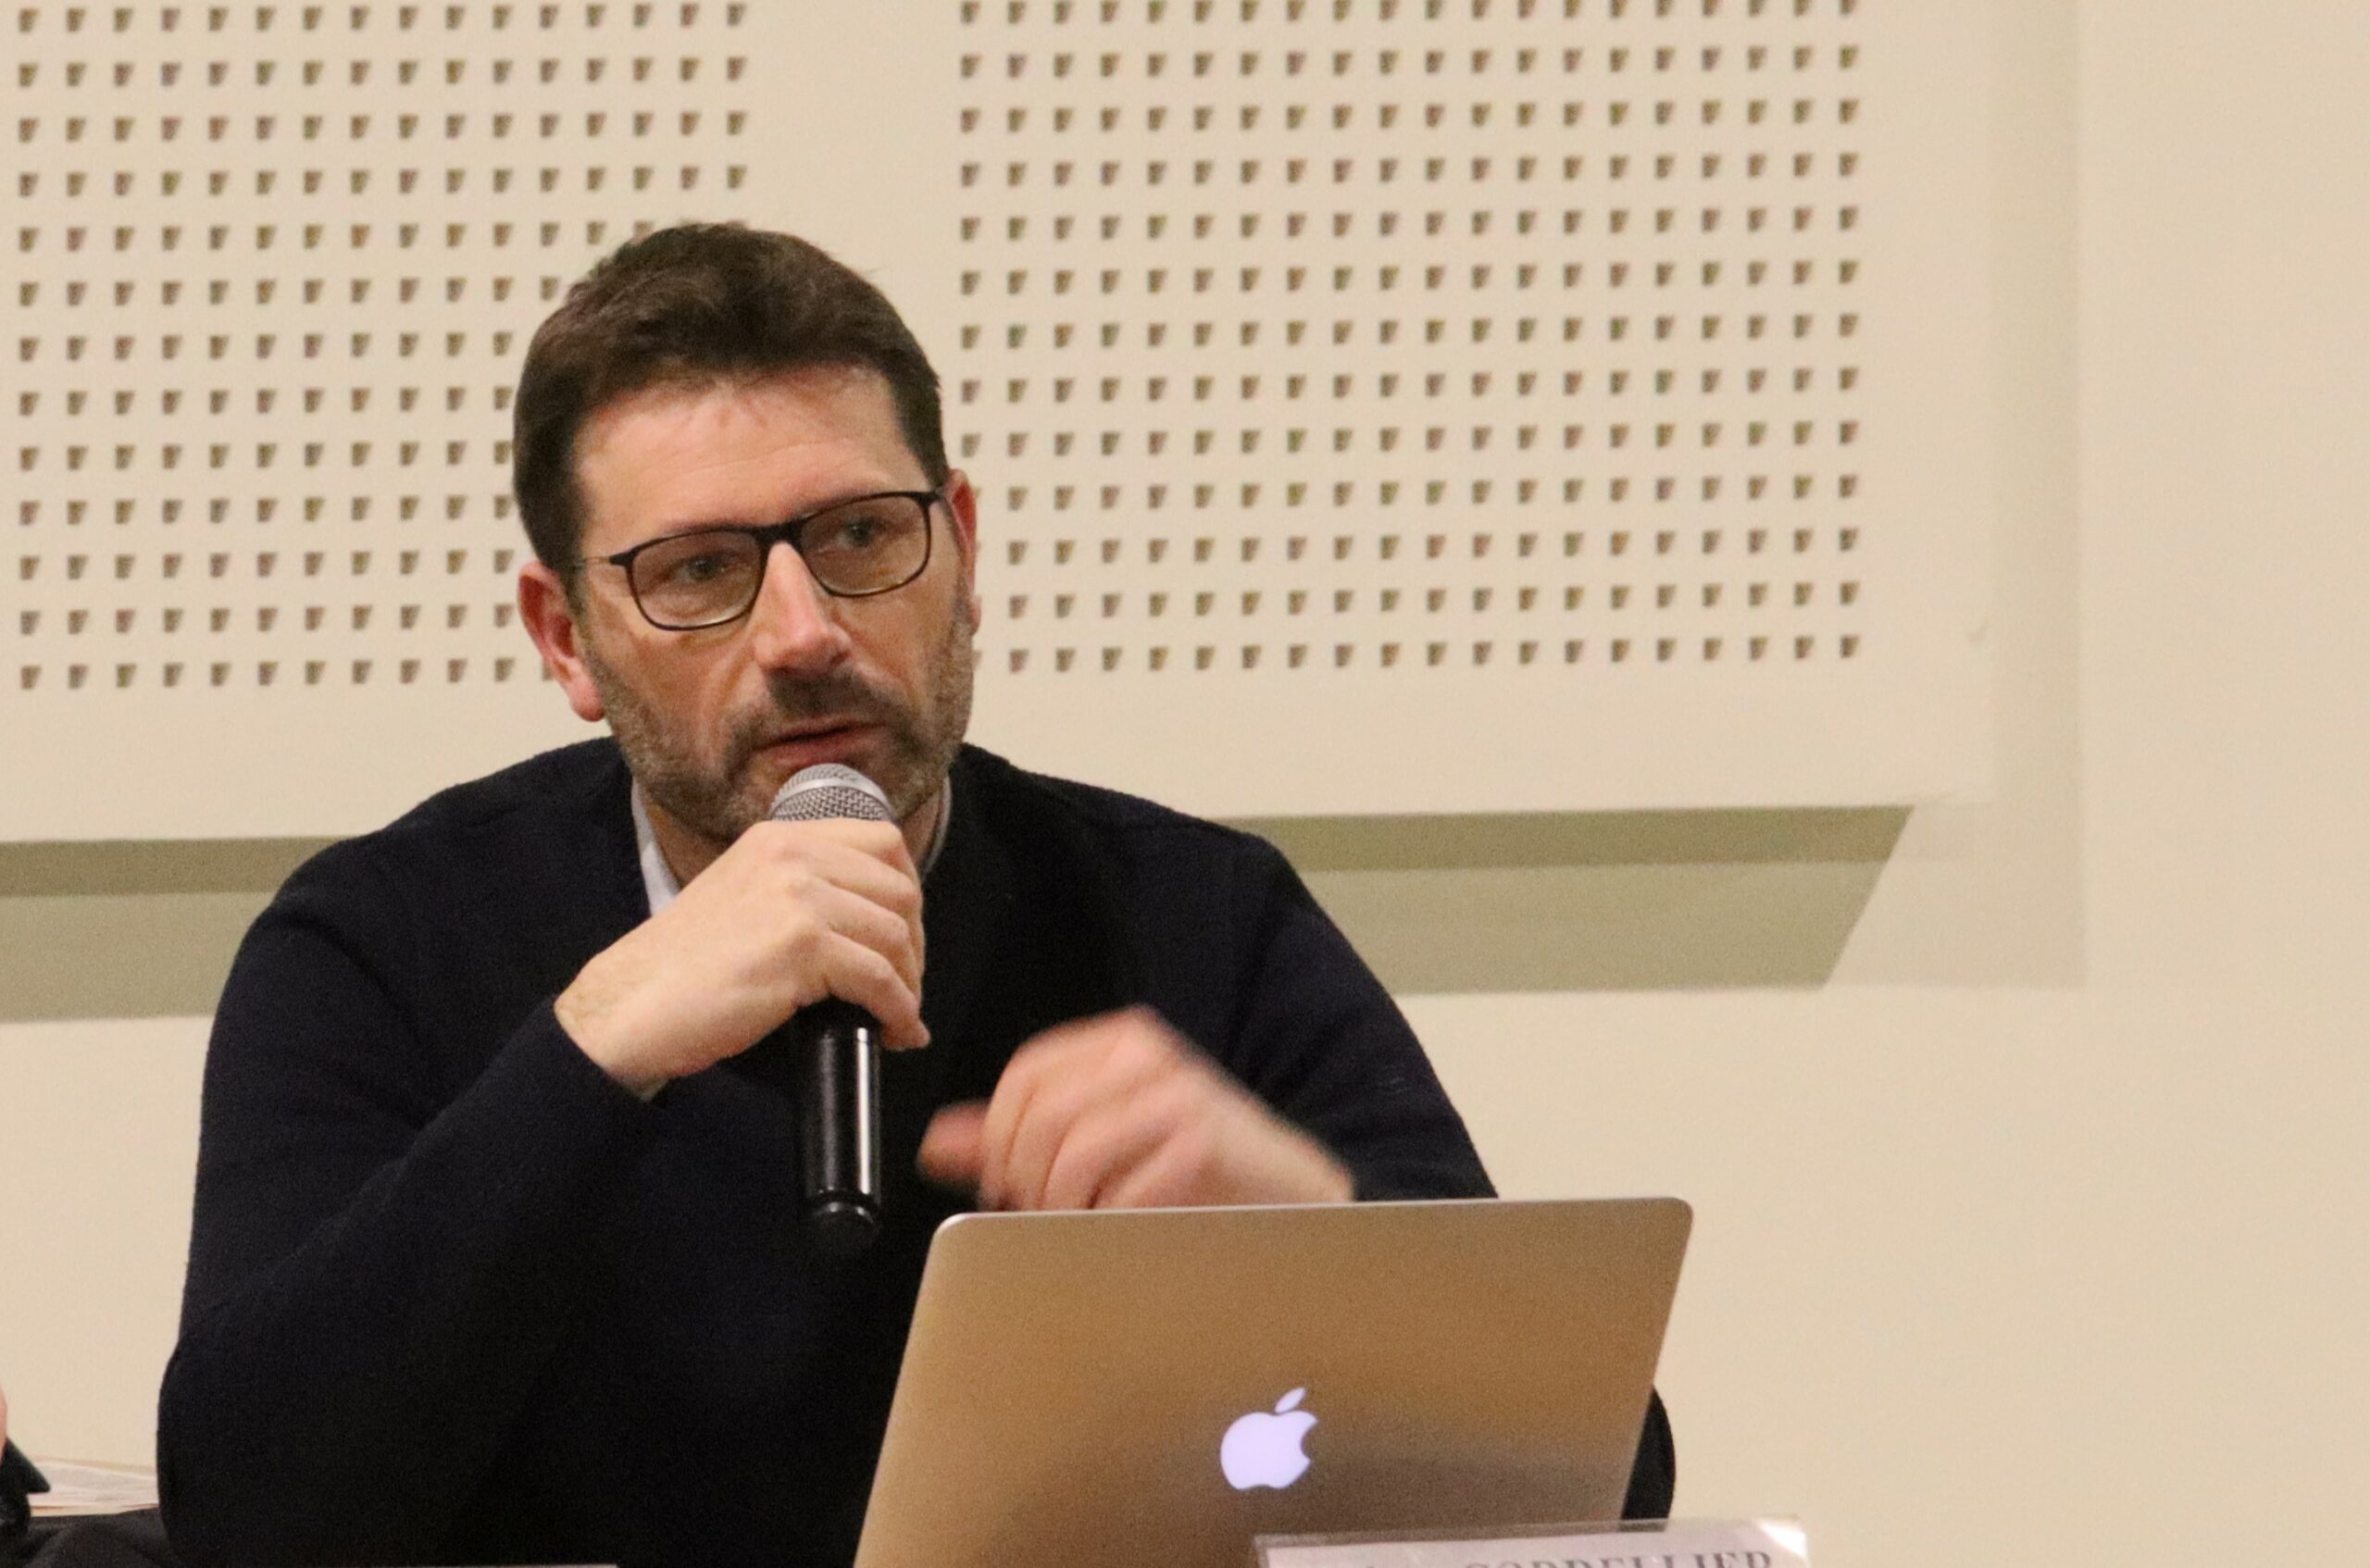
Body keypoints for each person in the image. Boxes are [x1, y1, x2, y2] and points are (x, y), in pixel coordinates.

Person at [156, 224, 1670, 1568]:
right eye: (699, 571)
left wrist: (1309, 1221)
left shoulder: (1192, 916)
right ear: (566, 638)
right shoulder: (381, 943)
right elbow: (244, 1513)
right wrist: (596, 1043)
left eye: (861, 537)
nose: (805, 632)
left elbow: (1610, 1476)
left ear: (965, 547)